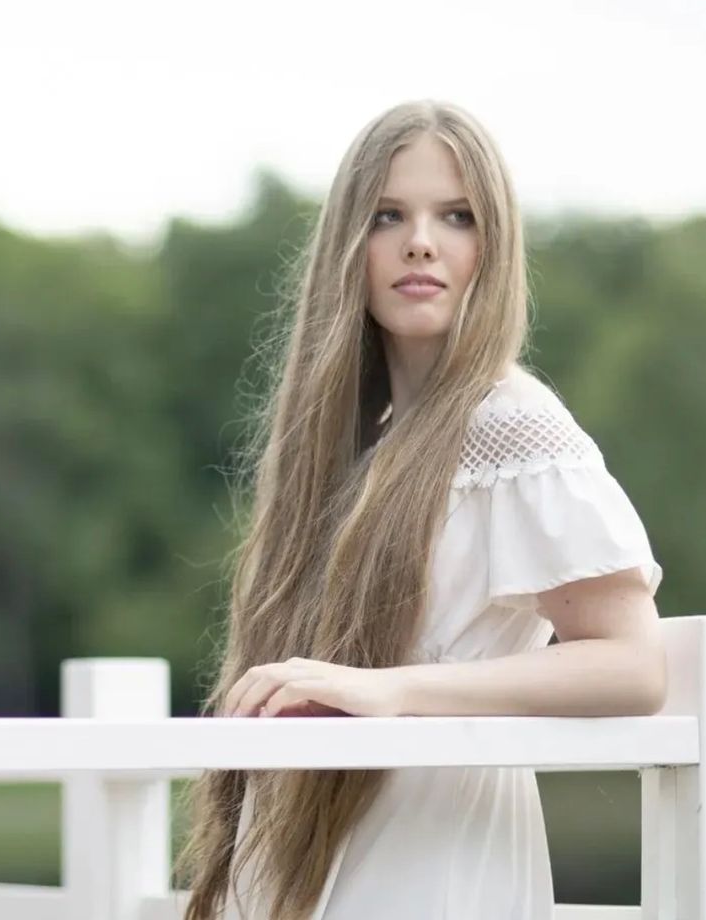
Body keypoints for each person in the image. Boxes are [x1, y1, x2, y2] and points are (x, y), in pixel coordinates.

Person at [176, 100, 666, 920]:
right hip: (326, 864)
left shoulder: (512, 422)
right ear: (349, 245)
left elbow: (633, 666)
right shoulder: (352, 445)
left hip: (438, 864)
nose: (421, 242)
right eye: (388, 216)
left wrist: (392, 690)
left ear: (493, 247)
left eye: (457, 216)